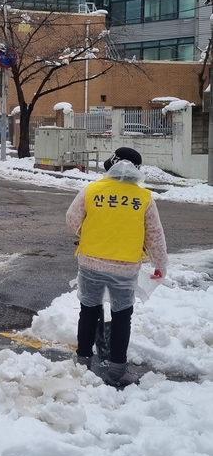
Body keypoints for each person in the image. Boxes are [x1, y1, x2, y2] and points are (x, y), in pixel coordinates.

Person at [66, 146, 168, 388]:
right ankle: (117, 371)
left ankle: (83, 363)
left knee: (88, 311)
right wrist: (160, 264)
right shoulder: (143, 198)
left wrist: (89, 231)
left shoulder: (92, 190)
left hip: (91, 262)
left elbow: (72, 219)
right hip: (125, 268)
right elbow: (154, 235)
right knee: (122, 316)